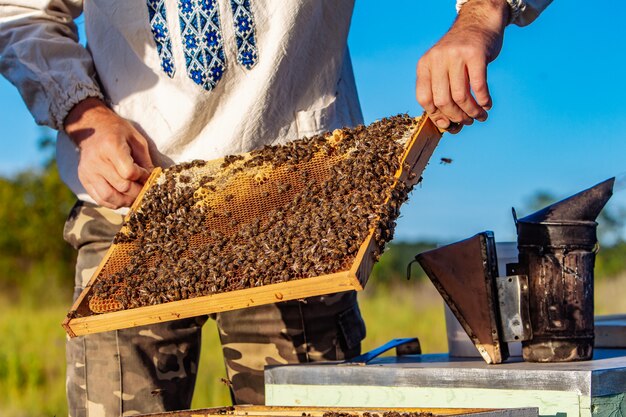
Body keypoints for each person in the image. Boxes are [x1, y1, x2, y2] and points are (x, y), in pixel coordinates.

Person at [0, 0, 552, 415]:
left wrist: (477, 19)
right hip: (131, 205)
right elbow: (21, 11)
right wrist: (85, 114)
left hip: (299, 208)